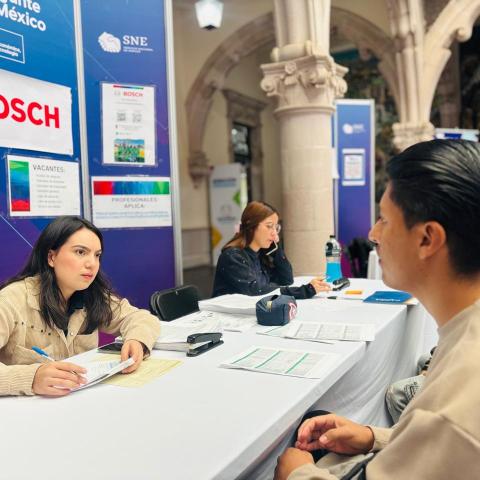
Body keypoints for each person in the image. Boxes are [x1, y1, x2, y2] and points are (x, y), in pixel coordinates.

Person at [274, 139, 480, 480]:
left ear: (428, 239)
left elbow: (448, 428)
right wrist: (375, 437)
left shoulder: (460, 393)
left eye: (384, 219)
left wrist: (298, 474)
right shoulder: (463, 332)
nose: (373, 234)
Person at [0, 216, 160, 397]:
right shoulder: (10, 300)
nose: (92, 264)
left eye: (97, 255)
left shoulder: (91, 295)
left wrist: (137, 340)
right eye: (80, 252)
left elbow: (140, 318)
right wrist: (31, 377)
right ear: (51, 257)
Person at [212, 201, 330, 298]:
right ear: (251, 226)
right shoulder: (233, 256)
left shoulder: (259, 254)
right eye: (269, 226)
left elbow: (286, 279)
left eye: (276, 227)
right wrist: (306, 290)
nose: (274, 233)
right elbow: (256, 291)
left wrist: (276, 249)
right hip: (224, 320)